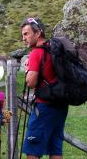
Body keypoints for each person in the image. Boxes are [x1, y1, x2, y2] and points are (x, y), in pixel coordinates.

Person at [21, 17, 68, 159]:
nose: (23, 38)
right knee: (55, 148)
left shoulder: (37, 52)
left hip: (44, 107)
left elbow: (31, 82)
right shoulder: (55, 49)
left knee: (33, 149)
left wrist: (28, 70)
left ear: (38, 33)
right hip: (61, 104)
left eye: (26, 33)